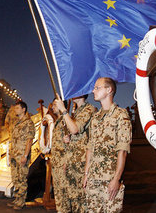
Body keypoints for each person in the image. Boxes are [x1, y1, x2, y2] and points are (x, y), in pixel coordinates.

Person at [83, 77, 132, 212]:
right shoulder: (95, 118)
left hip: (109, 179)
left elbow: (122, 150)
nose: (93, 90)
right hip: (93, 179)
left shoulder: (121, 115)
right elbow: (90, 148)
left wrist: (116, 179)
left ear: (109, 90)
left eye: (97, 87)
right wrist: (86, 175)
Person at [54, 93, 97, 212]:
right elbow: (74, 134)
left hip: (82, 163)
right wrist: (68, 139)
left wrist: (63, 110)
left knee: (82, 201)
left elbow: (75, 129)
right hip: (72, 161)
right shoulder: (75, 112)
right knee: (73, 199)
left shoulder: (89, 109)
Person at [7, 101, 35, 210]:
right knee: (15, 178)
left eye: (18, 108)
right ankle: (17, 199)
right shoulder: (16, 123)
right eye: (15, 108)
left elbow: (29, 140)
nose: (15, 110)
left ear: (24, 109)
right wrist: (10, 154)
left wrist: (25, 155)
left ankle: (21, 201)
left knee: (22, 179)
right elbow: (12, 140)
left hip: (22, 155)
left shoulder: (28, 123)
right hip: (14, 154)